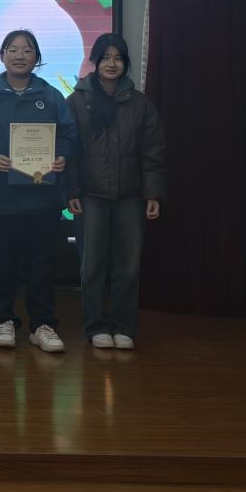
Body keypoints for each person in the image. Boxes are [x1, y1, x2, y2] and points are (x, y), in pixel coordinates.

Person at [0, 29, 77, 354]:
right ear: (2, 55)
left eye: (27, 50)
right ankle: (3, 320)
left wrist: (61, 156)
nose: (20, 55)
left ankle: (42, 325)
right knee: (0, 264)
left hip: (42, 198)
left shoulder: (51, 96)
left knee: (42, 265)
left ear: (37, 58)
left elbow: (68, 135)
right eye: (13, 49)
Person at [66, 33, 165, 350]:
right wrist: (71, 191)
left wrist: (152, 194)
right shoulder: (76, 101)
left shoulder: (140, 103)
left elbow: (153, 152)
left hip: (130, 196)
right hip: (90, 195)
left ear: (125, 63)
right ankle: (96, 326)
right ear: (95, 61)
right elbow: (67, 151)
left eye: (118, 58)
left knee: (128, 266)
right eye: (105, 57)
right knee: (92, 265)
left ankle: (124, 326)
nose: (112, 63)